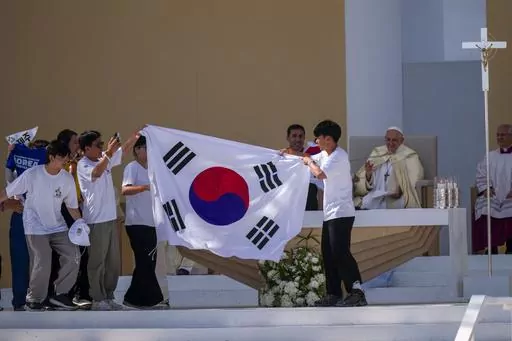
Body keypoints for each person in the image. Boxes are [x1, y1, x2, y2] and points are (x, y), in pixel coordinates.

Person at [0, 140, 82, 311]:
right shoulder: (32, 174)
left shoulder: (66, 179)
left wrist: (81, 223)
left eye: (66, 159)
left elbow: (72, 207)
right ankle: (35, 299)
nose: (64, 163)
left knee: (73, 255)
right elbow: (7, 192)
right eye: (61, 159)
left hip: (57, 226)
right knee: (43, 259)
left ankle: (59, 295)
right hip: (35, 226)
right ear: (51, 157)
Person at [299, 120, 367, 307]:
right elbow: (307, 158)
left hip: (342, 213)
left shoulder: (339, 157)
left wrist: (309, 161)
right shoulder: (325, 154)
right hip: (330, 214)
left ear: (328, 139)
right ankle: (333, 293)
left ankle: (356, 291)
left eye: (318, 137)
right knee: (328, 254)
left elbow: (319, 173)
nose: (316, 141)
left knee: (341, 252)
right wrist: (287, 155)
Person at [77, 129, 139, 311]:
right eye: (98, 145)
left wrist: (134, 136)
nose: (102, 148)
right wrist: (109, 153)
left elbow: (123, 152)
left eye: (103, 144)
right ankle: (97, 298)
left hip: (111, 218)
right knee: (97, 261)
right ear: (86, 148)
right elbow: (96, 173)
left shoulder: (104, 159)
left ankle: (109, 296)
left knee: (112, 262)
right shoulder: (83, 165)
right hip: (96, 221)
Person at [48, 129, 92, 309]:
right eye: (75, 142)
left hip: (76, 212)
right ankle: (54, 294)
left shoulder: (78, 163)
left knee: (81, 253)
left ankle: (74, 294)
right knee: (61, 255)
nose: (78, 146)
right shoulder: (58, 167)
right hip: (62, 213)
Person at [121, 136, 167, 309]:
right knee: (144, 260)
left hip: (152, 222)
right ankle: (150, 298)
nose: (148, 152)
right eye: (145, 148)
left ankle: (138, 299)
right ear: (137, 150)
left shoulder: (153, 170)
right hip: (137, 222)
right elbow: (125, 189)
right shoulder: (132, 168)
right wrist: (144, 187)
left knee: (149, 261)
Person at [5, 139, 49, 311]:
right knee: (20, 259)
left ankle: (39, 298)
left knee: (42, 260)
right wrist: (10, 155)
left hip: (42, 218)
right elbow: (9, 179)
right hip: (21, 216)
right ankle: (19, 301)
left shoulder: (49, 171)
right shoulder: (18, 169)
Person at [353, 127, 424, 210]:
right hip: (377, 195)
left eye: (394, 140)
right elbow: (367, 180)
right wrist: (368, 174)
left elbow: (414, 178)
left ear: (401, 141)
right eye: (388, 140)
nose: (390, 143)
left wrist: (402, 189)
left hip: (398, 197)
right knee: (367, 202)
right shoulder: (378, 153)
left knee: (398, 205)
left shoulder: (409, 156)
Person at [473, 124, 512, 254]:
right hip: (493, 196)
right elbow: (481, 174)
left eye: (503, 135)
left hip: (510, 197)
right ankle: (491, 247)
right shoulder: (490, 156)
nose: (499, 137)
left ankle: (510, 247)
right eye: (498, 135)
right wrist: (486, 189)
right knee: (484, 207)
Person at [282, 124, 323, 210]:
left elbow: (320, 185)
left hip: (309, 205)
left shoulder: (312, 155)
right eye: (294, 136)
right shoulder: (282, 158)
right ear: (288, 138)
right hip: (287, 205)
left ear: (304, 138)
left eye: (301, 136)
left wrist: (320, 211)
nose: (298, 139)